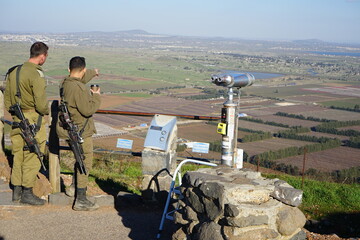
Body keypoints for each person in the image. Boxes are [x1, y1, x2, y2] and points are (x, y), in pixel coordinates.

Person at [4, 42, 49, 205]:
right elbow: (41, 104)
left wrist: (16, 113)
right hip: (33, 119)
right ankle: (27, 193)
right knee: (34, 153)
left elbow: (8, 99)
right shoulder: (36, 74)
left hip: (17, 118)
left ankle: (16, 191)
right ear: (42, 56)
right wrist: (46, 112)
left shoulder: (14, 71)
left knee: (18, 154)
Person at [59, 56, 101, 211]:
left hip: (71, 130)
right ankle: (81, 200)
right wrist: (96, 96)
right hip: (80, 131)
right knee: (85, 163)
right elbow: (88, 110)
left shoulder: (65, 83)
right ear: (83, 70)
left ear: (69, 70)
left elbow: (79, 78)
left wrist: (93, 72)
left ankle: (73, 189)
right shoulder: (78, 88)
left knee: (79, 159)